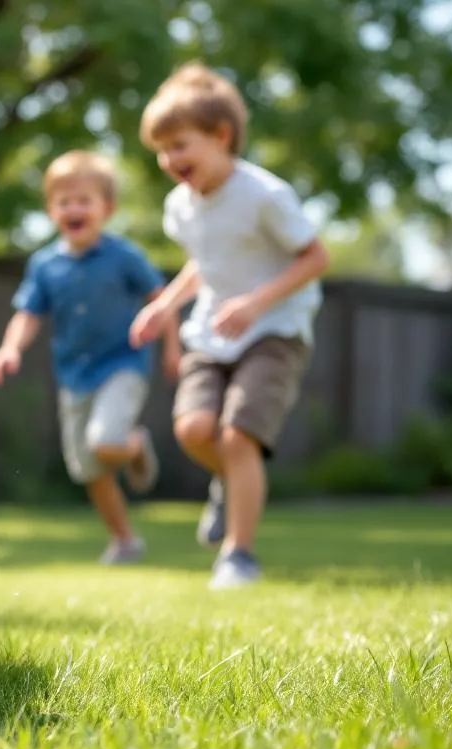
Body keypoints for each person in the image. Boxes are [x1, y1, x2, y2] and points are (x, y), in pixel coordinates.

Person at [129, 62, 331, 589]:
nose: (170, 160)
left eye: (180, 145)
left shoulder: (264, 195)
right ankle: (230, 484)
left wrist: (256, 303)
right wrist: (165, 305)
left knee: (239, 436)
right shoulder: (180, 206)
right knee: (194, 430)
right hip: (212, 331)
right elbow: (204, 263)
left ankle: (239, 555)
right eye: (162, 150)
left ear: (221, 136)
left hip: (275, 329)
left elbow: (315, 257)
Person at [0, 150, 181, 565]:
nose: (73, 209)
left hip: (123, 363)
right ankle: (124, 540)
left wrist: (172, 348)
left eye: (83, 200)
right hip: (74, 375)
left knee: (105, 442)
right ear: (51, 210)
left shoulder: (124, 256)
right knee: (90, 469)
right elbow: (28, 314)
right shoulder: (45, 265)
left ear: (107, 208)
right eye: (64, 202)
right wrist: (10, 348)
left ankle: (133, 444)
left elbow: (161, 299)